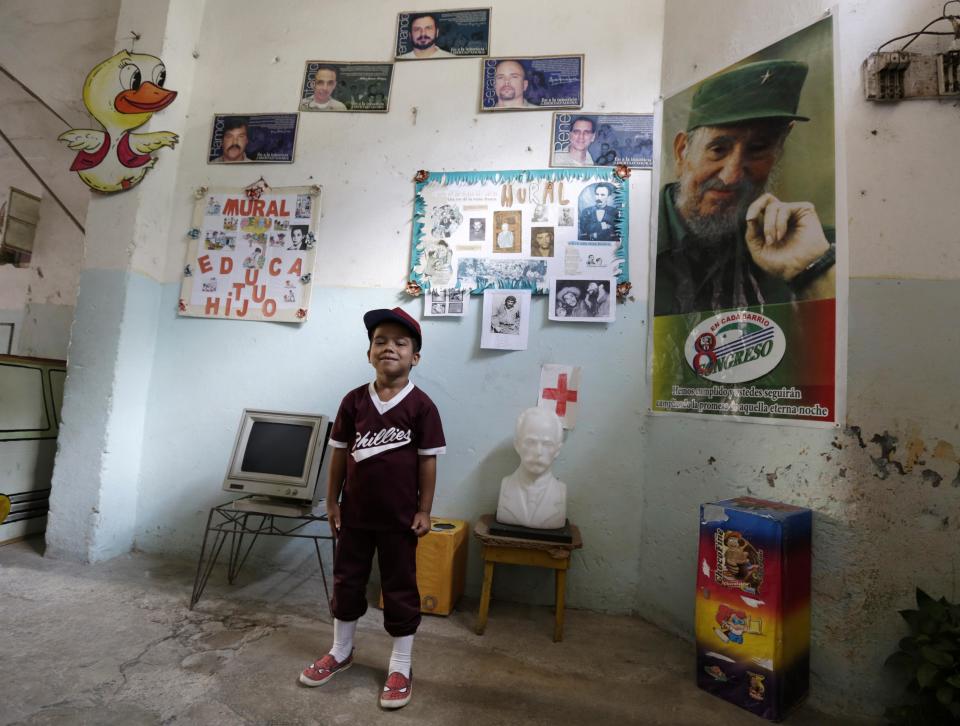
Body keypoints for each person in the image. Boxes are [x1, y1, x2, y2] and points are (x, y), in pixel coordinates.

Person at [299, 307, 445, 710]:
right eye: (380, 341)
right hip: (355, 516)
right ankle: (341, 651)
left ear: (415, 356)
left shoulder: (422, 406)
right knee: (347, 580)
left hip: (400, 519)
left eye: (401, 343)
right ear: (369, 353)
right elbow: (340, 456)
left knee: (399, 586)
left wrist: (425, 510)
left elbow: (428, 460)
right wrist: (332, 501)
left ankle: (401, 664)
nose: (389, 348)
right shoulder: (353, 401)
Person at [655, 59, 836, 316]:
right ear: (682, 151)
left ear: (778, 151)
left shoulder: (804, 245)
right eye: (718, 149)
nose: (732, 177)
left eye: (757, 149)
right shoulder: (630, 243)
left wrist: (812, 270)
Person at [496, 408, 566, 530]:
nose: (538, 452)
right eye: (531, 442)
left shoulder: (560, 492)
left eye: (547, 444)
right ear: (517, 445)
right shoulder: (506, 486)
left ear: (557, 450)